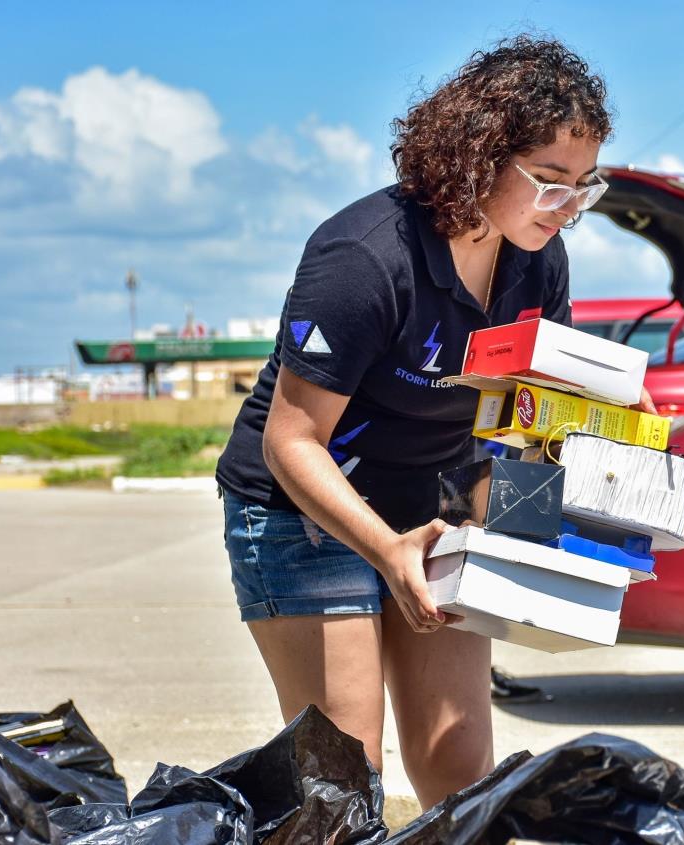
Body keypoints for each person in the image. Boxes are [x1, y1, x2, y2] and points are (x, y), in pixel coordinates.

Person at [214, 36, 614, 809]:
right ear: (476, 157)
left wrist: (598, 461)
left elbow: (523, 416)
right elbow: (290, 439)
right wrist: (386, 548)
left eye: (582, 187)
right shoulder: (362, 257)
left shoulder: (539, 259)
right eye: (548, 182)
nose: (566, 209)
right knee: (343, 784)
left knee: (459, 764)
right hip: (301, 511)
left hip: (431, 510)